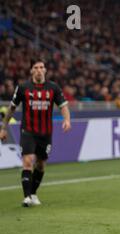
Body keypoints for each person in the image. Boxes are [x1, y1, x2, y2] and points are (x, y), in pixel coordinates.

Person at [0, 59, 71, 207]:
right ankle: (26, 197)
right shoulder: (23, 88)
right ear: (32, 70)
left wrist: (67, 120)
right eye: (36, 67)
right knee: (27, 161)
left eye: (41, 67)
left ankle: (33, 193)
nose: (39, 70)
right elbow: (11, 108)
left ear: (45, 70)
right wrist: (4, 127)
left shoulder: (53, 88)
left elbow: (63, 106)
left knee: (40, 165)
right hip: (28, 131)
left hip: (45, 133)